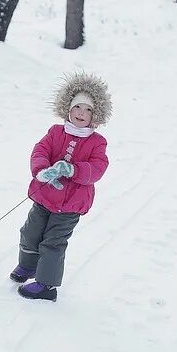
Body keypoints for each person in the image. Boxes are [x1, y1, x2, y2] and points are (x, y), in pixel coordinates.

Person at [10, 72, 112, 302]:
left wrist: (74, 170)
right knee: (30, 233)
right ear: (68, 108)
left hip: (70, 206)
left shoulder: (97, 142)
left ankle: (47, 286)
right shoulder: (56, 132)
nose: (81, 113)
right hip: (44, 197)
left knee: (52, 243)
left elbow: (98, 167)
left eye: (88, 110)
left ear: (95, 116)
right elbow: (40, 151)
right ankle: (28, 267)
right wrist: (42, 171)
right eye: (77, 107)